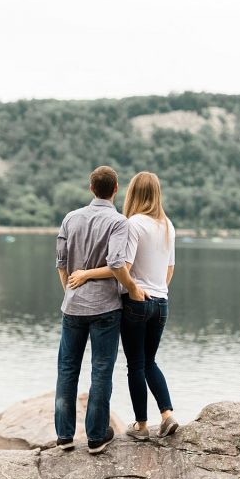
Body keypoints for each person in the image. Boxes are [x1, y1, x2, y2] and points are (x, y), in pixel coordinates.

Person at [68, 171, 178, 440]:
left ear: (132, 193)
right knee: (150, 361)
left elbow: (121, 268)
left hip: (136, 303)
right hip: (161, 302)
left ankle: (141, 426)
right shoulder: (167, 225)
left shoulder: (133, 224)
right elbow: (170, 268)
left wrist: (86, 273)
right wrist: (156, 290)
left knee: (135, 365)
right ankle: (167, 415)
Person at [54, 166, 147, 454]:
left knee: (67, 370)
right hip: (106, 307)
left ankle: (65, 436)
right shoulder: (119, 222)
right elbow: (118, 264)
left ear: (91, 188)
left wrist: (71, 291)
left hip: (73, 306)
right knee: (101, 370)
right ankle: (96, 437)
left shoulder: (71, 218)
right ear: (116, 189)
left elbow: (61, 263)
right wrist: (132, 288)